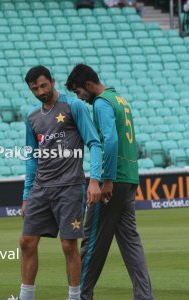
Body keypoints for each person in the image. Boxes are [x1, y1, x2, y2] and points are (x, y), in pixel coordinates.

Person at [66, 64, 154, 300]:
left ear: (87, 85)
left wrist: (107, 180)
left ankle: (81, 296)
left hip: (112, 181)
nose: (80, 99)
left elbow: (111, 141)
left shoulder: (101, 102)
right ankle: (145, 296)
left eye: (78, 92)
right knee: (131, 243)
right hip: (129, 178)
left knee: (92, 242)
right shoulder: (120, 100)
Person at [19, 65, 102, 300]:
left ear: (53, 81)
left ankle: (75, 297)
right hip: (40, 189)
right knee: (26, 242)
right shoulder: (32, 118)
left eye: (43, 85)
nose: (40, 91)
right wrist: (26, 195)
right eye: (34, 88)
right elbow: (31, 158)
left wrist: (94, 180)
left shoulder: (73, 106)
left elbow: (94, 143)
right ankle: (26, 296)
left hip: (70, 187)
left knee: (68, 245)